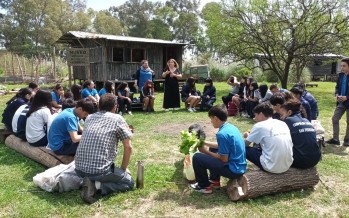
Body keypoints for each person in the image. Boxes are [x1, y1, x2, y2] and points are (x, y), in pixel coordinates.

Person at [75, 93, 134, 204]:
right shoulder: (117, 118)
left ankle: (89, 181)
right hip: (100, 170)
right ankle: (97, 186)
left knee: (103, 169)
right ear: (115, 106)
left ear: (99, 105)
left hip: (79, 168)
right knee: (129, 182)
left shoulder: (89, 118)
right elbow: (128, 147)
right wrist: (123, 169)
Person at [190, 104, 246, 194]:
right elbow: (222, 146)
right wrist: (203, 142)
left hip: (233, 170)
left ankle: (204, 186)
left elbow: (224, 159)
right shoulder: (231, 127)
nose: (211, 122)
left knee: (197, 157)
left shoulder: (222, 134)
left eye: (211, 119)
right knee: (213, 149)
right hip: (240, 166)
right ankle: (214, 180)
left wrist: (205, 151)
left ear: (216, 118)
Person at [243, 102, 293, 173]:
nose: (254, 118)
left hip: (270, 166)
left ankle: (238, 168)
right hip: (287, 165)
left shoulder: (259, 125)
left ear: (260, 114)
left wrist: (247, 137)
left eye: (255, 115)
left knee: (243, 148)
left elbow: (245, 144)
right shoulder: (282, 123)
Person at [279, 100, 321, 169]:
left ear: (289, 112)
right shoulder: (306, 120)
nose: (280, 118)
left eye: (281, 115)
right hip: (316, 158)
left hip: (301, 161)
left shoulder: (287, 121)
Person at [327, 58, 349, 146]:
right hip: (340, 102)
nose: (342, 68)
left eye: (344, 66)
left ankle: (347, 139)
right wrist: (336, 94)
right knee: (335, 119)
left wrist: (347, 97)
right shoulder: (340, 75)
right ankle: (335, 139)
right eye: (341, 66)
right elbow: (337, 87)